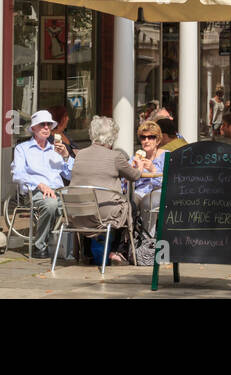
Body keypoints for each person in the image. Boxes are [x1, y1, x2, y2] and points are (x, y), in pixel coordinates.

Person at [67, 115, 139, 264]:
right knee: (130, 206)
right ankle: (116, 251)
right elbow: (134, 176)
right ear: (112, 137)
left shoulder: (79, 155)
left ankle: (90, 253)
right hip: (103, 213)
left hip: (76, 211)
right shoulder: (115, 156)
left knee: (96, 207)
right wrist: (141, 166)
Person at [9, 109, 74, 259]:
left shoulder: (56, 149)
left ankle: (75, 248)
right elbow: (17, 174)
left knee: (79, 204)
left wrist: (66, 157)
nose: (46, 127)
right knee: (51, 204)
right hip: (35, 191)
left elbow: (70, 175)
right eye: (42, 124)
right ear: (33, 128)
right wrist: (39, 184)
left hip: (59, 190)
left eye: (48, 125)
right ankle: (40, 244)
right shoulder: (22, 149)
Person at [130, 120, 167, 226]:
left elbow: (169, 182)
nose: (146, 140)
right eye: (143, 137)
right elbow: (126, 182)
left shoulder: (165, 156)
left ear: (158, 140)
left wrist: (153, 169)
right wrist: (136, 171)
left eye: (151, 137)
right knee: (128, 203)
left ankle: (147, 238)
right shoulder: (135, 159)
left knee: (150, 201)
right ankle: (129, 237)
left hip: (158, 194)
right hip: (139, 193)